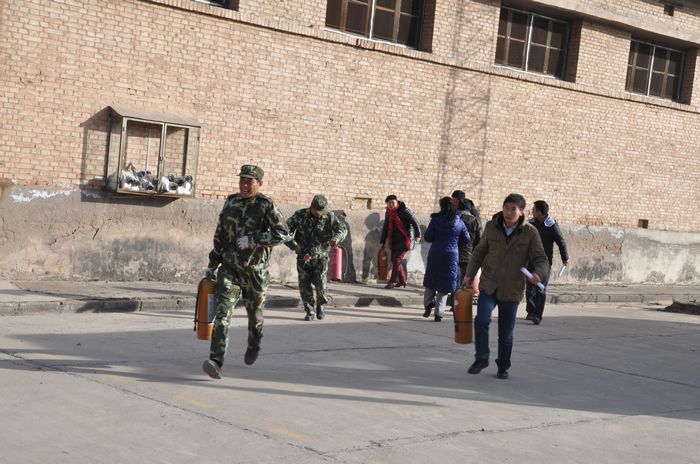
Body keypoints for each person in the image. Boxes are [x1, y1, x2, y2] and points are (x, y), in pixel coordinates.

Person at [202, 165, 290, 380]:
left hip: (255, 273)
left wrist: (254, 239)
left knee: (255, 316)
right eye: (242, 180)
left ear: (259, 184)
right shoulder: (230, 202)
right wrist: (213, 263)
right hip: (230, 269)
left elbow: (283, 233)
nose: (244, 184)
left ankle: (254, 343)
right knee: (222, 314)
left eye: (250, 181)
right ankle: (216, 361)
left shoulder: (266, 205)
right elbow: (220, 234)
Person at [464, 193, 549, 379]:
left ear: (521, 212)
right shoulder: (492, 227)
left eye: (513, 209)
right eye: (506, 208)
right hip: (489, 284)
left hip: (512, 288)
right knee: (481, 319)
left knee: (505, 333)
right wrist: (470, 274)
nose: (508, 213)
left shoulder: (530, 233)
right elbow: (479, 252)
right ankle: (481, 358)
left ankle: (503, 366)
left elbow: (541, 258)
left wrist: (538, 274)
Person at [285, 194, 348, 321]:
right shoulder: (300, 215)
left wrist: (337, 238)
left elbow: (342, 229)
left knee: (321, 284)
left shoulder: (329, 216)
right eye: (317, 211)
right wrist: (293, 245)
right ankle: (309, 310)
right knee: (304, 285)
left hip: (321, 256)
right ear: (312, 207)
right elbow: (284, 231)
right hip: (303, 256)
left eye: (322, 211)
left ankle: (321, 305)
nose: (320, 214)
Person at [422, 197, 470, 321]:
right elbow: (467, 238)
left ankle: (428, 303)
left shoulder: (436, 220)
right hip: (451, 255)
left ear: (442, 207)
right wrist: (455, 242)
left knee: (431, 279)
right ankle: (439, 313)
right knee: (444, 283)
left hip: (435, 253)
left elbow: (428, 237)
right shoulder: (459, 221)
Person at [525, 200, 570, 325]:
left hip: (544, 262)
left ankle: (537, 315)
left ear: (539, 212)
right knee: (530, 287)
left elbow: (561, 241)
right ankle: (531, 311)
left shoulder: (551, 225)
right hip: (531, 259)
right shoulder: (531, 224)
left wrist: (565, 257)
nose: (532, 211)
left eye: (534, 209)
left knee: (540, 288)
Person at [379, 194, 421, 289]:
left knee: (397, 260)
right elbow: (386, 227)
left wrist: (418, 235)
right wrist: (383, 241)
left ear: (396, 202)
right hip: (394, 240)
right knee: (394, 260)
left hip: (405, 239)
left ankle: (392, 281)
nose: (391, 205)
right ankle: (402, 280)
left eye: (392, 202)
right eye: (389, 203)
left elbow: (415, 222)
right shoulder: (388, 213)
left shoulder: (404, 211)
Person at [451, 190, 482, 291]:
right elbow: (479, 237)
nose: (454, 204)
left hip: (456, 251)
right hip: (468, 253)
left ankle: (454, 299)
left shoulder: (455, 217)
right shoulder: (474, 219)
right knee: (464, 280)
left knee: (455, 279)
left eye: (455, 202)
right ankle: (460, 299)